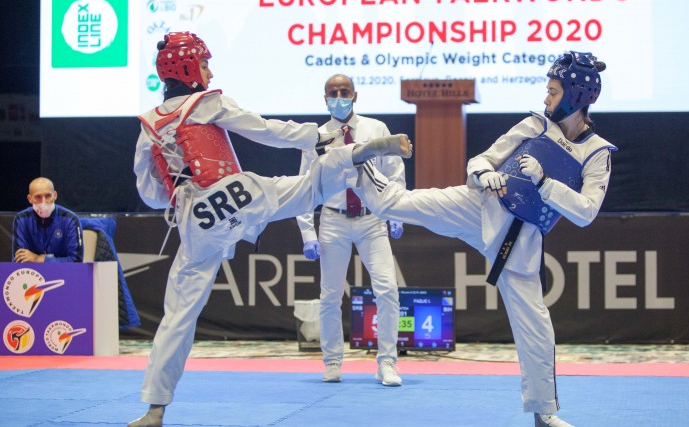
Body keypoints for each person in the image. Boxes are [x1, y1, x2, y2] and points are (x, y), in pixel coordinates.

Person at [129, 31, 412, 427]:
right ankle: (356, 153)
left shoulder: (149, 125)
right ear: (188, 67)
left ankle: (155, 408)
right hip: (238, 196)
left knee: (177, 316)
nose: (210, 73)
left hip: (197, 222)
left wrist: (183, 188)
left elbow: (151, 195)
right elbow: (265, 129)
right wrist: (318, 135)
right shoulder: (207, 102)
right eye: (205, 64)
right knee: (309, 187)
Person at [343, 51, 615, 427]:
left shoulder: (597, 152)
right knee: (400, 203)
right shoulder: (534, 124)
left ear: (575, 96)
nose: (546, 98)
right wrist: (484, 174)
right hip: (479, 205)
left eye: (553, 92)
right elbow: (481, 160)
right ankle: (358, 160)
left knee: (537, 327)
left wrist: (545, 183)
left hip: (520, 239)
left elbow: (586, 211)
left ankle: (544, 413)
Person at [297, 74, 405, 386]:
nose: (339, 97)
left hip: (372, 218)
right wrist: (307, 232)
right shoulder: (317, 137)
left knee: (387, 289)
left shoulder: (376, 129)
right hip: (333, 220)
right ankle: (332, 361)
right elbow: (305, 186)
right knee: (330, 295)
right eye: (333, 93)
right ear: (325, 98)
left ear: (355, 95)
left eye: (344, 92)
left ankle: (387, 362)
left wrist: (397, 212)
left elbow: (394, 172)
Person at [12, 177, 83, 263]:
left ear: (55, 196)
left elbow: (77, 261)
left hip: (63, 271)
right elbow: (20, 260)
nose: (44, 202)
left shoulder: (70, 220)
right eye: (38, 197)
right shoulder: (22, 219)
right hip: (32, 271)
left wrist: (39, 259)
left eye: (48, 196)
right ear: (30, 199)